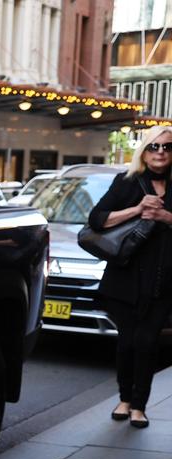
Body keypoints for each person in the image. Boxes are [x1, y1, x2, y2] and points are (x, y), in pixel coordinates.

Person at [89, 125, 172, 429]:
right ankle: (124, 399)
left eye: (167, 147)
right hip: (125, 279)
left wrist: (165, 217)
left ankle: (139, 406)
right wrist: (137, 209)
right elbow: (97, 220)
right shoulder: (126, 183)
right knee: (126, 343)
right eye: (154, 146)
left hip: (163, 281)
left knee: (147, 343)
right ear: (144, 151)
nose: (160, 152)